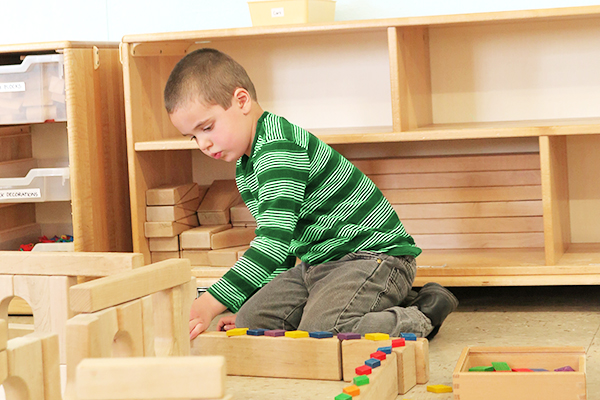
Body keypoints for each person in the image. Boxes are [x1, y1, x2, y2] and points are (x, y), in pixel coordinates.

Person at [164, 48, 458, 341]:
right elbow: (283, 247)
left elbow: (272, 245)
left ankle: (421, 314)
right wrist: (243, 307)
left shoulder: (279, 149)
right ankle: (365, 306)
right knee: (252, 321)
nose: (202, 143)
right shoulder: (246, 166)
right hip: (318, 265)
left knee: (323, 332)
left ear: (241, 101)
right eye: (193, 136)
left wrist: (210, 302)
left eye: (207, 127)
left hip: (372, 258)